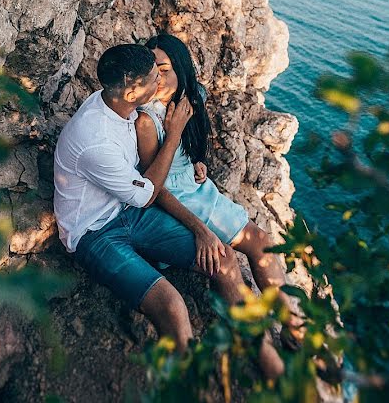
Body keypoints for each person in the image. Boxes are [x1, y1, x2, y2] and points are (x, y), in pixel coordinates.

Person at [52, 44, 284, 379]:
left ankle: (262, 353)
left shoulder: (118, 103)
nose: (158, 83)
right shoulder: (96, 142)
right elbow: (147, 194)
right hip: (93, 232)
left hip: (125, 209)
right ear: (132, 90)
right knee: (173, 309)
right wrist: (173, 133)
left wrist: (203, 228)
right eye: (152, 78)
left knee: (224, 260)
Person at [136, 33, 305, 350]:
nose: (156, 80)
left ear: (181, 71)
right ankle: (260, 341)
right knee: (242, 254)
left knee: (261, 241)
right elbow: (154, 189)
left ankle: (292, 325)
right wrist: (199, 230)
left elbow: (191, 149)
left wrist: (197, 163)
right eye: (151, 72)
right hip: (176, 200)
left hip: (198, 188)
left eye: (164, 69)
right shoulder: (146, 121)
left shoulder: (188, 100)